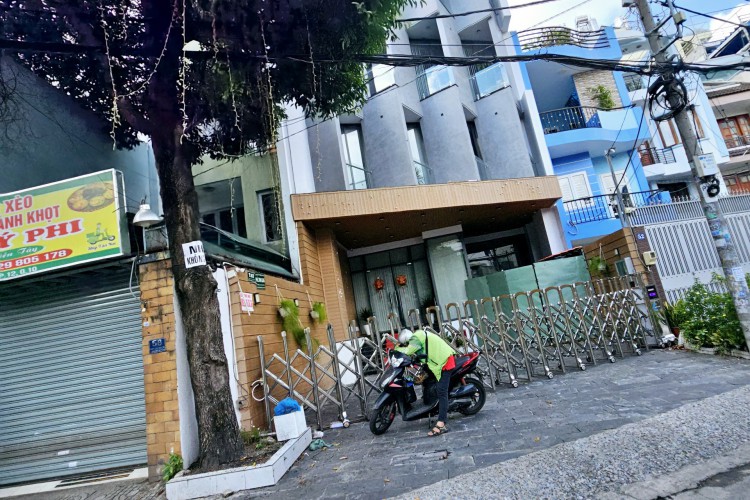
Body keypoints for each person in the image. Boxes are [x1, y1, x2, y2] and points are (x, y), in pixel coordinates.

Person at [396, 328, 457, 437]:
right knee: (424, 379)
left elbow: (408, 351)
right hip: (437, 361)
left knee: (441, 392)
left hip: (444, 362)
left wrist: (396, 348)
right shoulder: (418, 336)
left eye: (406, 343)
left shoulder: (415, 339)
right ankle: (429, 402)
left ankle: (441, 424)